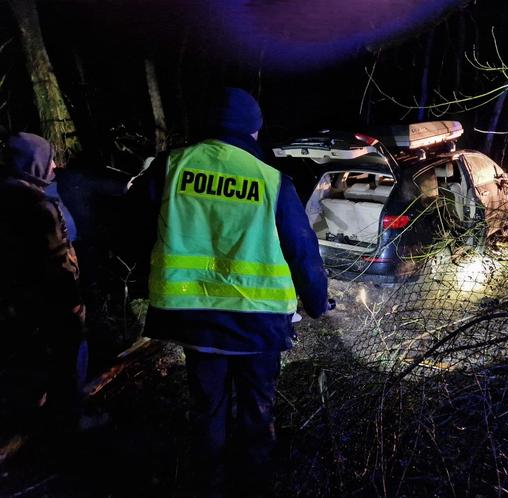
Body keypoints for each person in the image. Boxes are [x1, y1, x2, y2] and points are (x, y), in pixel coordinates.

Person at [129, 87, 329, 497]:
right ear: (254, 131)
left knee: (207, 405)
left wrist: (139, 276)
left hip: (193, 317)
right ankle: (254, 482)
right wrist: (316, 302)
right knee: (257, 406)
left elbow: (132, 224)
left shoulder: (172, 165)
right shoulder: (271, 180)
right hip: (257, 321)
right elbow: (302, 250)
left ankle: (209, 483)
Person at [0, 132, 88, 440]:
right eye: (47, 159)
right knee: (64, 366)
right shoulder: (39, 208)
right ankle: (67, 427)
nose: (54, 164)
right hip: (49, 306)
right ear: (31, 163)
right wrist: (74, 304)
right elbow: (58, 264)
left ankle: (25, 427)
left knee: (25, 369)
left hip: (15, 308)